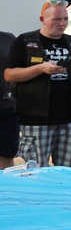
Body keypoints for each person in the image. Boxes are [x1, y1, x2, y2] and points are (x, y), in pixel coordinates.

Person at [4, 1, 71, 167]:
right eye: (57, 19)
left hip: (70, 118)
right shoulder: (25, 41)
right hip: (35, 118)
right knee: (37, 169)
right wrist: (40, 68)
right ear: (42, 19)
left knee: (67, 168)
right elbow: (9, 75)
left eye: (65, 19)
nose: (62, 23)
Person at [0, 27, 20, 169]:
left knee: (6, 154)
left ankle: (5, 182)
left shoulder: (8, 39)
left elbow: (21, 65)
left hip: (6, 107)